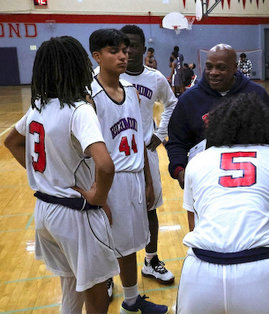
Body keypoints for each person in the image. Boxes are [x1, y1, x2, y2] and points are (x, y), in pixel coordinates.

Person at [4, 36, 119, 313]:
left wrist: (45, 176)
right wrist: (97, 197)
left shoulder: (38, 107)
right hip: (75, 213)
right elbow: (105, 165)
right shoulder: (79, 109)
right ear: (78, 66)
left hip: (44, 210)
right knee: (96, 287)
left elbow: (11, 142)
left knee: (69, 282)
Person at [176, 92, 269, 313]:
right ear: (265, 124)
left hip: (200, 270)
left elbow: (194, 225)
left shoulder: (197, 162)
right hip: (259, 270)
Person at [89, 28, 168, 314]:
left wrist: (148, 181)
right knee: (109, 245)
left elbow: (139, 141)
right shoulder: (90, 96)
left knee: (131, 244)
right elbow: (87, 152)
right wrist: (99, 193)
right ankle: (109, 290)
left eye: (125, 50)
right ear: (97, 56)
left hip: (135, 177)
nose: (124, 56)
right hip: (110, 182)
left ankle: (132, 301)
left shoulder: (133, 92)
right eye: (115, 51)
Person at [166, 43, 269, 190]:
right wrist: (179, 169)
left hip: (253, 182)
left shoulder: (256, 94)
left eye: (221, 67)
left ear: (235, 67)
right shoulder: (189, 100)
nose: (213, 72)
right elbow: (176, 141)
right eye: (209, 66)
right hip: (205, 183)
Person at [119, 25, 176, 286]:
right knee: (113, 213)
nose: (128, 50)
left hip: (146, 153)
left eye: (133, 45)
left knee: (151, 208)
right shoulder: (104, 77)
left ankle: (150, 260)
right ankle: (111, 272)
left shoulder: (154, 78)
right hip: (116, 158)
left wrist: (160, 133)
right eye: (123, 45)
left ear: (144, 48)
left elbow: (172, 103)